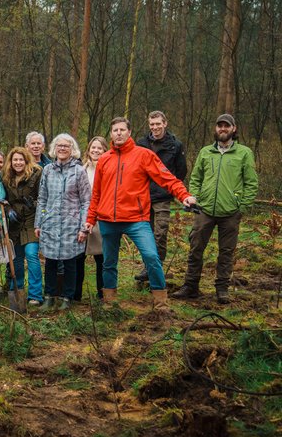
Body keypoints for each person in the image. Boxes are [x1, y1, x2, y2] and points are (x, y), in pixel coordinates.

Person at [84, 117, 196, 309]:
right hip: (108, 220)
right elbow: (97, 194)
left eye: (122, 130)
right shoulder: (104, 159)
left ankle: (160, 303)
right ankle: (109, 303)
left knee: (151, 256)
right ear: (111, 134)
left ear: (129, 132)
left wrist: (184, 195)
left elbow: (167, 178)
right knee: (109, 263)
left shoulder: (143, 155)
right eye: (115, 130)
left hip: (136, 219)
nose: (118, 133)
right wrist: (90, 219)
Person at [173, 114, 258, 303]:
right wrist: (194, 198)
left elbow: (251, 183)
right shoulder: (205, 152)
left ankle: (222, 289)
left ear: (234, 129)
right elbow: (196, 178)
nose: (223, 129)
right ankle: (191, 286)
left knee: (226, 252)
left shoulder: (244, 153)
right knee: (195, 248)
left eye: (226, 126)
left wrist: (242, 207)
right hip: (204, 210)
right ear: (216, 128)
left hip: (230, 212)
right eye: (220, 125)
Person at [34, 134, 91, 311]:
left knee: (70, 262)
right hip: (50, 223)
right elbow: (42, 199)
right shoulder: (48, 170)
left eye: (66, 146)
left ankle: (67, 297)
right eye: (59, 145)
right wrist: (39, 223)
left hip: (71, 224)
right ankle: (49, 297)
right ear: (54, 148)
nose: (62, 148)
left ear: (72, 149)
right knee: (50, 262)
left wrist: (83, 227)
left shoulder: (79, 171)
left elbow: (86, 201)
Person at [134, 111, 187, 283]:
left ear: (165, 123)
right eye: (152, 124)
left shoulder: (175, 145)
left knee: (160, 233)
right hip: (143, 195)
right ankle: (147, 267)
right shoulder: (141, 144)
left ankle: (156, 267)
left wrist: (171, 189)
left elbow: (181, 171)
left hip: (163, 197)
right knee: (145, 234)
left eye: (158, 123)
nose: (155, 127)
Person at [2, 147, 43, 305]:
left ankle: (35, 295)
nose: (18, 163)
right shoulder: (6, 178)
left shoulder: (36, 174)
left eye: (21, 160)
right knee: (16, 258)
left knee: (31, 255)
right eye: (15, 160)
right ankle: (17, 290)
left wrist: (34, 204)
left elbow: (43, 196)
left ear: (26, 161)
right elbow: (3, 198)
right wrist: (8, 210)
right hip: (15, 222)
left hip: (31, 219)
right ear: (11, 162)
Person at [75, 137, 107, 300]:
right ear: (88, 150)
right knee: (78, 257)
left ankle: (102, 294)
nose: (95, 151)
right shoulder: (81, 169)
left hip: (101, 218)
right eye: (93, 147)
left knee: (101, 258)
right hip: (81, 217)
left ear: (105, 151)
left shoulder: (108, 169)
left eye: (99, 148)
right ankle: (76, 294)